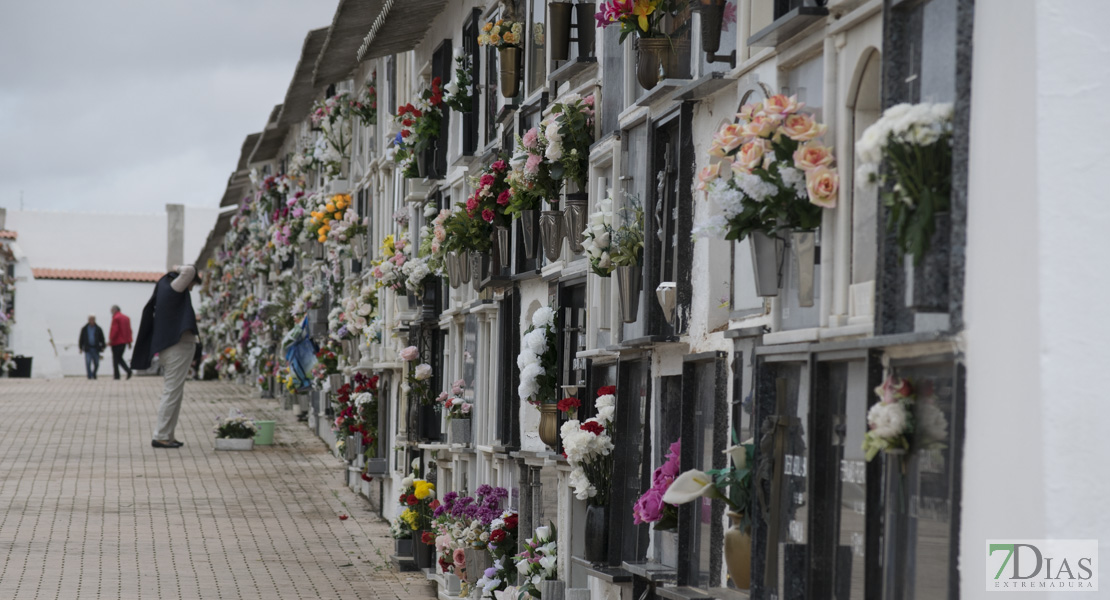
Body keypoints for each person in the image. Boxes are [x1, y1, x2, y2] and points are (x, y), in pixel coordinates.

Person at [131, 265, 201, 449]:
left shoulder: (164, 289)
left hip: (175, 348)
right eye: (192, 286)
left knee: (175, 392)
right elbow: (189, 271)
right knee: (171, 392)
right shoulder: (174, 287)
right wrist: (176, 267)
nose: (191, 288)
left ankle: (168, 434)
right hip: (177, 347)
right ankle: (161, 435)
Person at [109, 305, 133, 380]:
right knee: (119, 358)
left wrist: (111, 339)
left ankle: (117, 375)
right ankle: (127, 371)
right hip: (124, 342)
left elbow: (115, 330)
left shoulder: (116, 318)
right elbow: (129, 330)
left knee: (116, 359)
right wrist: (129, 342)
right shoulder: (126, 318)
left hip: (116, 342)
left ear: (115, 310)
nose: (111, 312)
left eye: (111, 310)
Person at [77, 314, 106, 380]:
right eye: (90, 319)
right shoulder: (84, 329)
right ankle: (89, 375)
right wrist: (80, 348)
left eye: (93, 319)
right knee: (88, 362)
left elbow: (102, 338)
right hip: (88, 348)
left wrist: (103, 346)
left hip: (96, 348)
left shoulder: (98, 328)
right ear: (88, 320)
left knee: (96, 363)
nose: (92, 321)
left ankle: (94, 373)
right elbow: (81, 338)